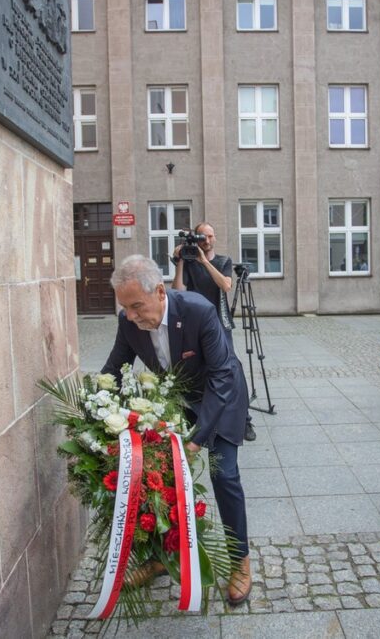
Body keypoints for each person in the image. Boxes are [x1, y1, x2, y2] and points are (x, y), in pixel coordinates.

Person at [102, 255, 253, 606]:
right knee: (158, 478)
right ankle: (161, 557)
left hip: (222, 395)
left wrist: (198, 439)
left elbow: (221, 376)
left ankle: (240, 561)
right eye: (125, 308)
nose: (132, 316)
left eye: (137, 306)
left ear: (159, 291)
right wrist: (94, 406)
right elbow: (115, 366)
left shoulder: (198, 311)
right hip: (178, 401)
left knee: (225, 475)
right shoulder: (129, 321)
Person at [173, 223, 256, 442]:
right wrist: (181, 262)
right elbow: (178, 291)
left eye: (210, 236)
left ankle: (245, 419)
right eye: (202, 237)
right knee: (198, 369)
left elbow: (226, 285)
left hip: (219, 323)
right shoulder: (188, 263)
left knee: (232, 370)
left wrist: (203, 261)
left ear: (214, 238)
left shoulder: (223, 261)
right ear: (195, 239)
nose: (206, 241)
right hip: (195, 324)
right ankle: (203, 417)